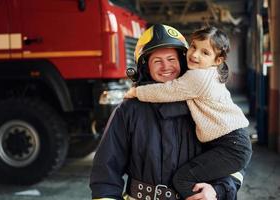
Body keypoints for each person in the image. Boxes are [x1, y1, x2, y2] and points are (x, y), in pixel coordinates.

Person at [90, 24, 245, 200]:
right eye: (157, 61)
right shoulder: (128, 110)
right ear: (145, 67)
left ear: (182, 60)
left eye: (171, 59)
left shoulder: (203, 105)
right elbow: (105, 171)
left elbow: (231, 157)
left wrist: (218, 190)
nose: (166, 67)